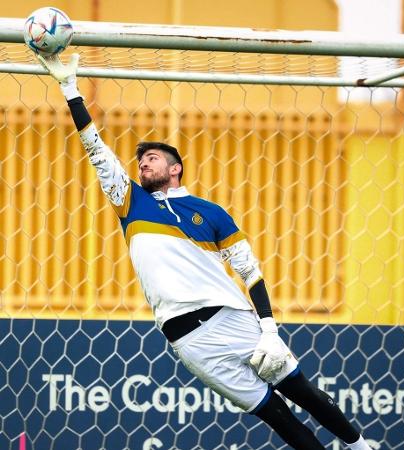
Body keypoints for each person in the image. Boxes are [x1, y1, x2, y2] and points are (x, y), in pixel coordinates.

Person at [36, 53, 373, 450]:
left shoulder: (209, 212)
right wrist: (70, 88)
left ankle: (360, 446)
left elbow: (250, 270)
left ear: (176, 168)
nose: (142, 164)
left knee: (302, 391)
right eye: (139, 161)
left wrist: (268, 330)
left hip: (232, 320)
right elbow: (95, 149)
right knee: (275, 414)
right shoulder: (129, 203)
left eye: (152, 158)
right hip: (188, 341)